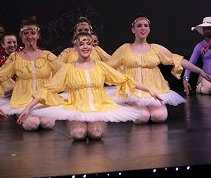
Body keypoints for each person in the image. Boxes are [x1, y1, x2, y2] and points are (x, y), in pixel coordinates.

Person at [16, 33, 158, 140]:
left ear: (92, 47)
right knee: (78, 134)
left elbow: (124, 79)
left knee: (96, 134)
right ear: (76, 47)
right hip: (77, 107)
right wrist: (28, 107)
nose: (85, 47)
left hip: (98, 106)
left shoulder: (100, 66)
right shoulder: (68, 68)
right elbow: (48, 88)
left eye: (88, 44)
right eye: (81, 44)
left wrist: (149, 89)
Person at [107, 16, 211, 124]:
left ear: (149, 29)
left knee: (159, 116)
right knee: (142, 118)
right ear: (133, 29)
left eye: (146, 26)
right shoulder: (125, 49)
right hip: (133, 91)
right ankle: (129, 105)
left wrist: (200, 71)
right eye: (139, 26)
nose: (143, 28)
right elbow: (108, 66)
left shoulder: (155, 49)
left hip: (154, 90)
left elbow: (178, 60)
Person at [0, 17, 63, 131]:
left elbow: (64, 71)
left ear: (38, 35)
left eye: (33, 33)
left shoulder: (47, 55)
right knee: (32, 124)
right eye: (26, 33)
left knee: (47, 123)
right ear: (21, 35)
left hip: (44, 99)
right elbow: (0, 75)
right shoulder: (15, 57)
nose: (29, 36)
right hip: (23, 99)